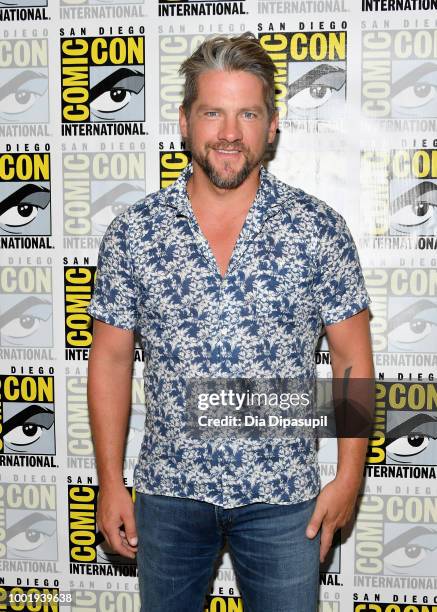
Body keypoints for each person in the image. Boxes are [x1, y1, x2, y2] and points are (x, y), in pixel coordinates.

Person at [87, 33, 374, 612]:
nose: (229, 133)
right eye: (212, 112)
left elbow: (351, 359)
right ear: (185, 122)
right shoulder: (135, 232)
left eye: (248, 113)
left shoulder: (316, 228)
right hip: (168, 494)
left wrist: (348, 477)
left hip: (284, 498)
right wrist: (110, 481)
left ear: (271, 125)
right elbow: (111, 359)